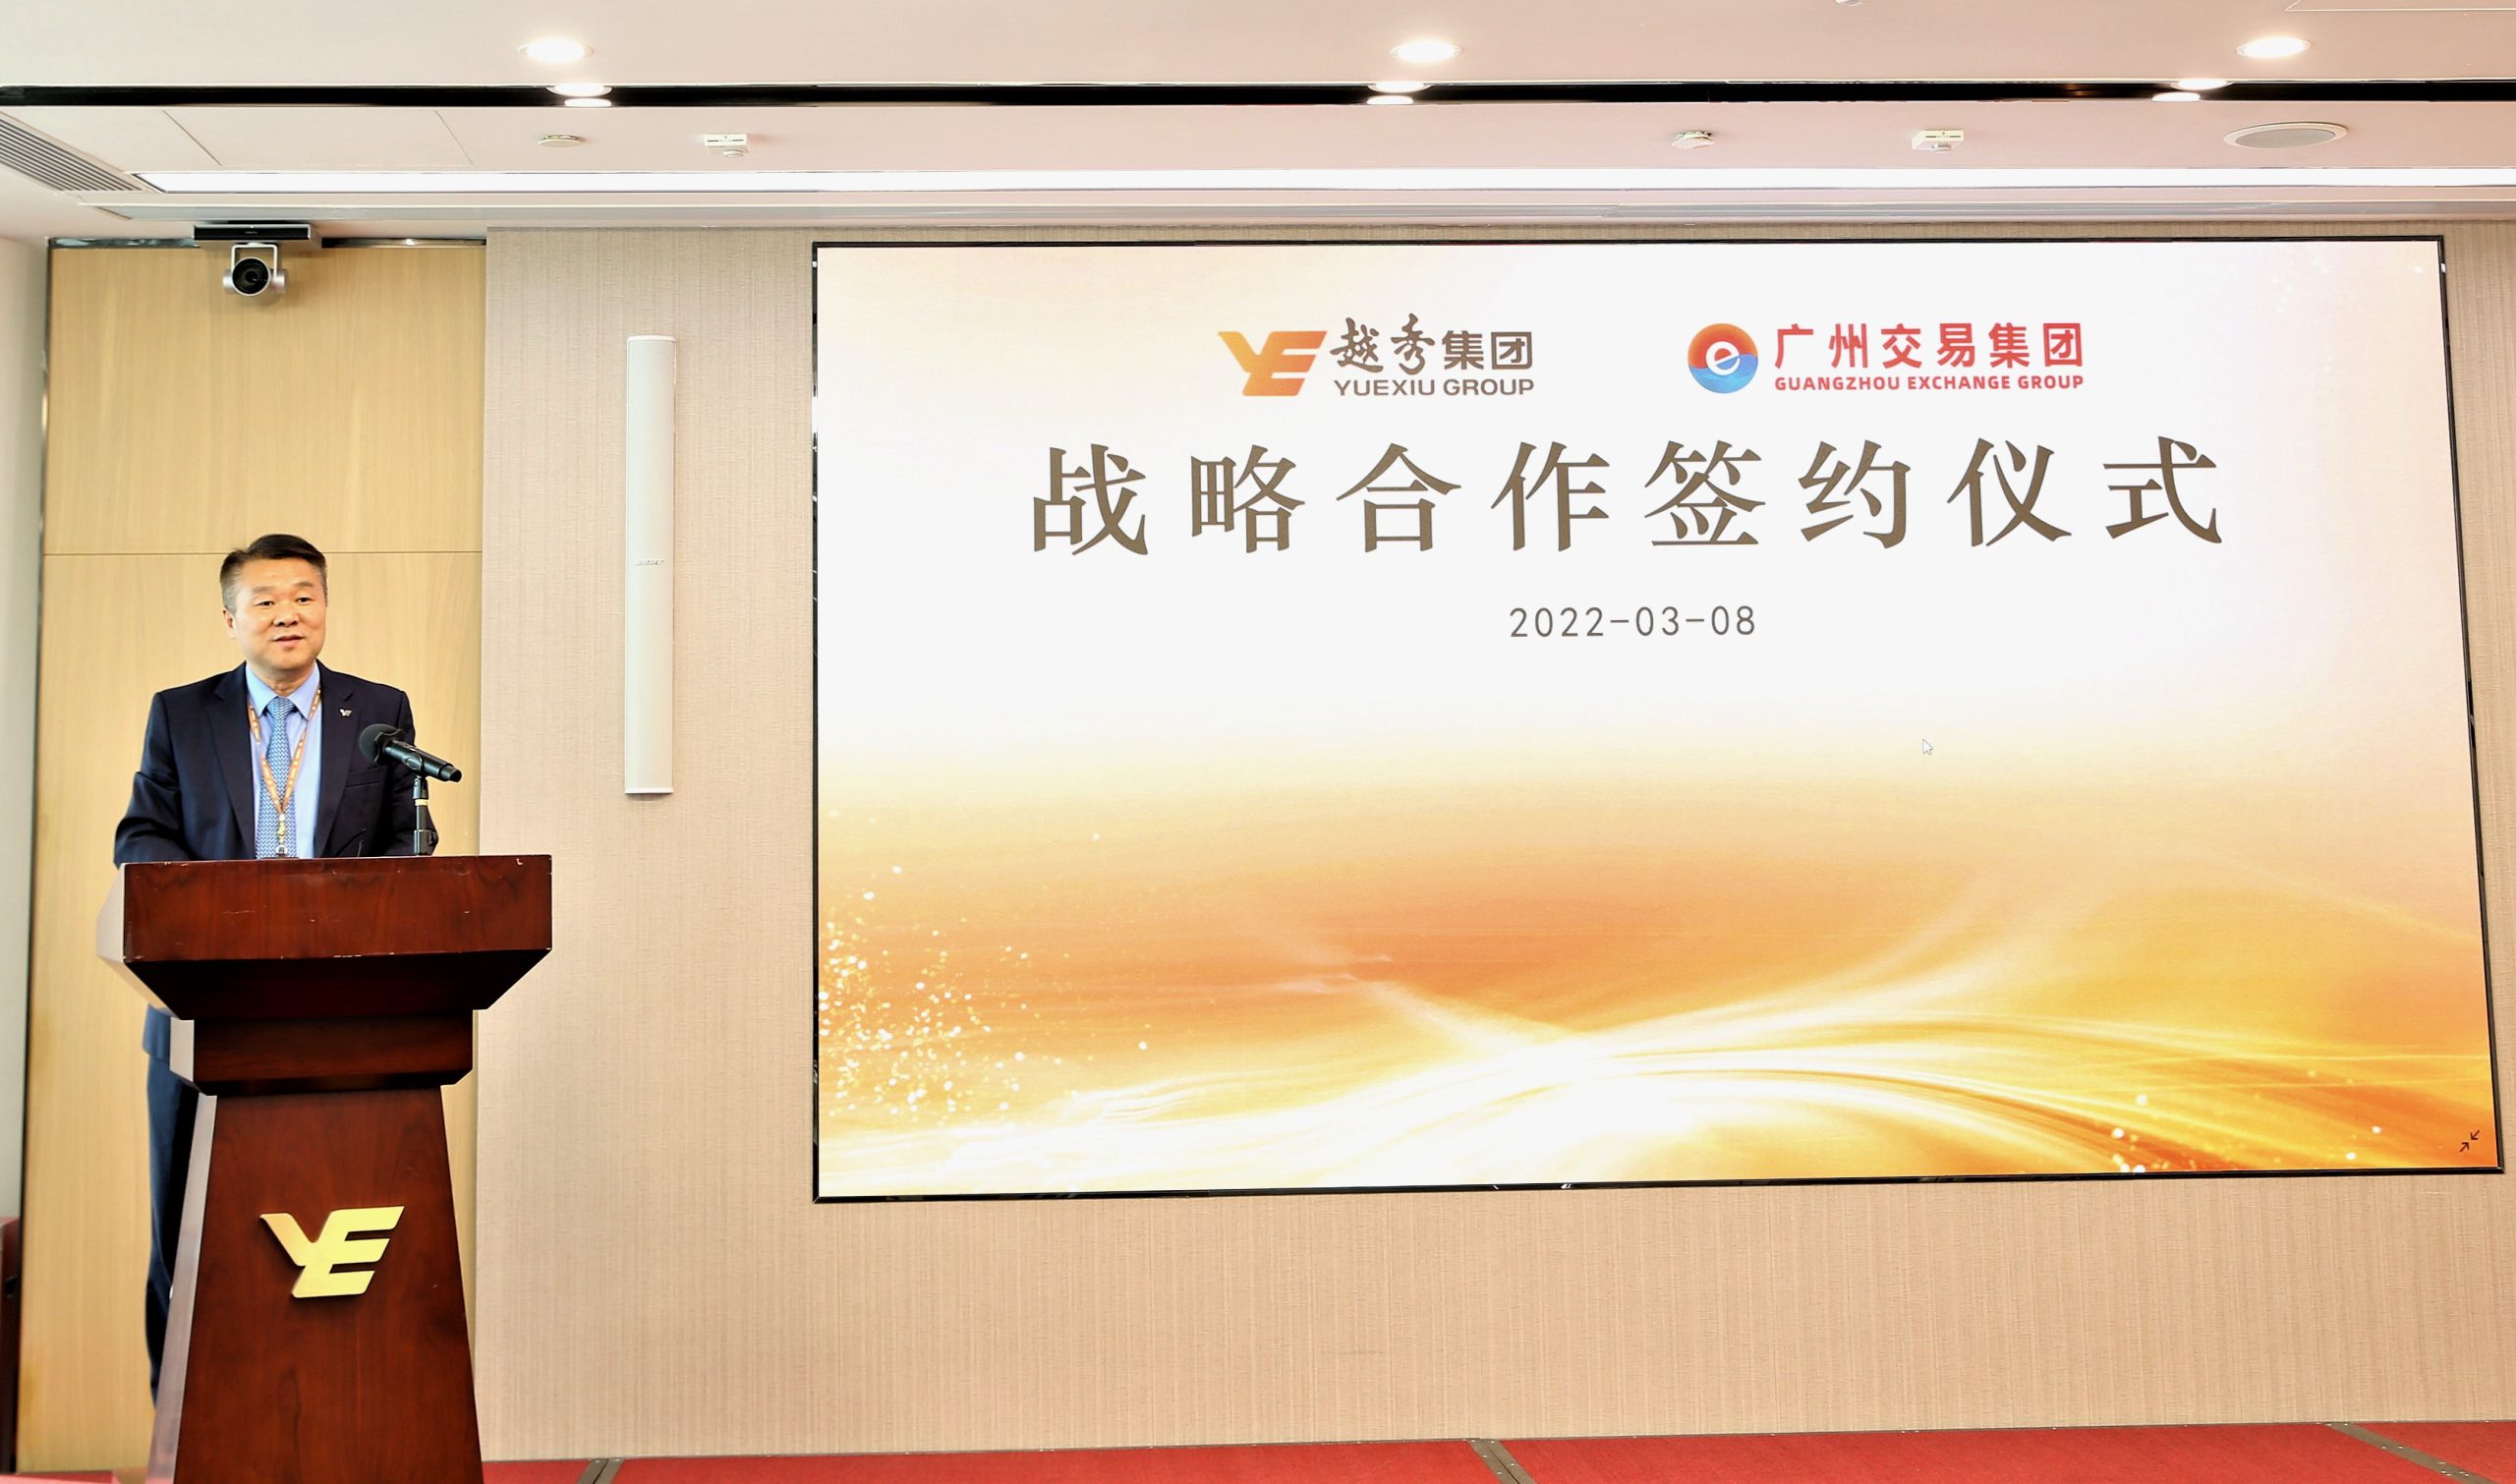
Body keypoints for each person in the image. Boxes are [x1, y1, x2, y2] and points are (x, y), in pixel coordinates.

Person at [112, 533, 421, 1393]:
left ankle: (337, 1397)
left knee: (333, 1209)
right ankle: (180, 1416)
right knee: (187, 1224)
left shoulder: (379, 711)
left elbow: (405, 842)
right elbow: (142, 838)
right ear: (231, 619)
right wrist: (220, 912)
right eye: (266, 600)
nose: (289, 614)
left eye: (305, 596)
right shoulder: (183, 714)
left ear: (326, 606)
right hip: (204, 1009)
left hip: (337, 1011)